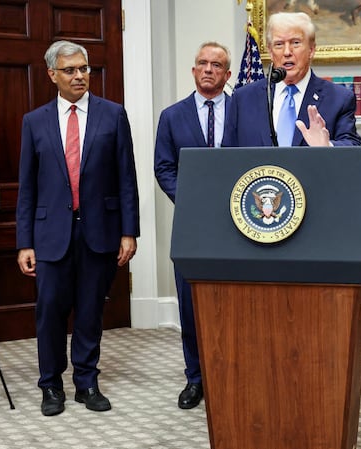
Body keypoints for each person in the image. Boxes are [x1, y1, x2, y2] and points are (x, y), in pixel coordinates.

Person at [17, 40, 140, 417]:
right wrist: (24, 242)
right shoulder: (34, 121)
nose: (79, 76)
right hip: (49, 234)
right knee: (50, 311)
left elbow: (126, 177)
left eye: (83, 69)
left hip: (99, 230)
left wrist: (129, 231)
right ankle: (51, 385)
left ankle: (86, 382)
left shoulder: (112, 115)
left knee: (90, 310)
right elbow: (27, 186)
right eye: (69, 70)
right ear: (52, 75)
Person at [154, 41, 232, 410]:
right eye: (202, 63)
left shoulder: (244, 111)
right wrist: (191, 202)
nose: (208, 70)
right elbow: (163, 168)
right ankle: (196, 378)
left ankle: (230, 372)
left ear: (227, 74)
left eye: (216, 65)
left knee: (233, 302)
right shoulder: (172, 116)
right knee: (191, 303)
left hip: (238, 225)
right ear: (193, 70)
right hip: (191, 224)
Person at [222, 11, 361, 148]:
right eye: (279, 44)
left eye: (295, 43)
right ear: (270, 52)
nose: (287, 52)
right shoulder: (243, 98)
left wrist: (327, 146)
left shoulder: (339, 98)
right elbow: (227, 154)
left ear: (311, 50)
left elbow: (353, 146)